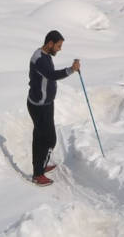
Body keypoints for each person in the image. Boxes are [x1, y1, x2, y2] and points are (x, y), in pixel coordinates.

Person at [26, 29, 80, 186]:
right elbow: (51, 75)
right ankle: (38, 174)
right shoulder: (40, 59)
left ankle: (41, 166)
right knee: (46, 139)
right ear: (50, 43)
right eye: (58, 46)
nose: (60, 49)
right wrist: (71, 70)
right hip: (39, 106)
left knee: (45, 138)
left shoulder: (45, 54)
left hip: (46, 104)